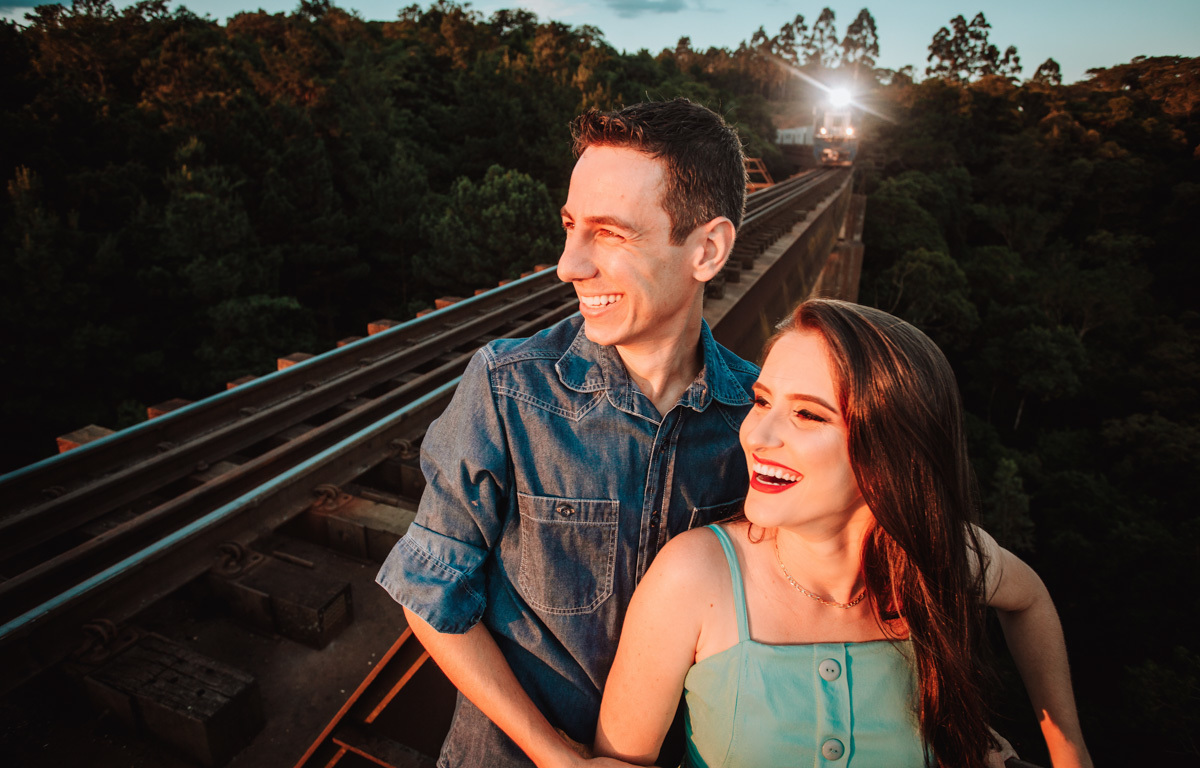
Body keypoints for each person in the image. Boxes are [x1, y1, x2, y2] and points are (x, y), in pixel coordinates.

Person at [375, 98, 759, 768]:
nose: (567, 264)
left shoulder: (757, 419)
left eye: (609, 234)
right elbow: (430, 596)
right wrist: (557, 757)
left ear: (707, 249)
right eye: (571, 227)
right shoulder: (508, 390)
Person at [594, 299, 1094, 768]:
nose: (756, 435)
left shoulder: (935, 559)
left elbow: (1029, 601)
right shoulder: (696, 578)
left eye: (808, 414)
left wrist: (1068, 751)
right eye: (762, 401)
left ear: (889, 450)